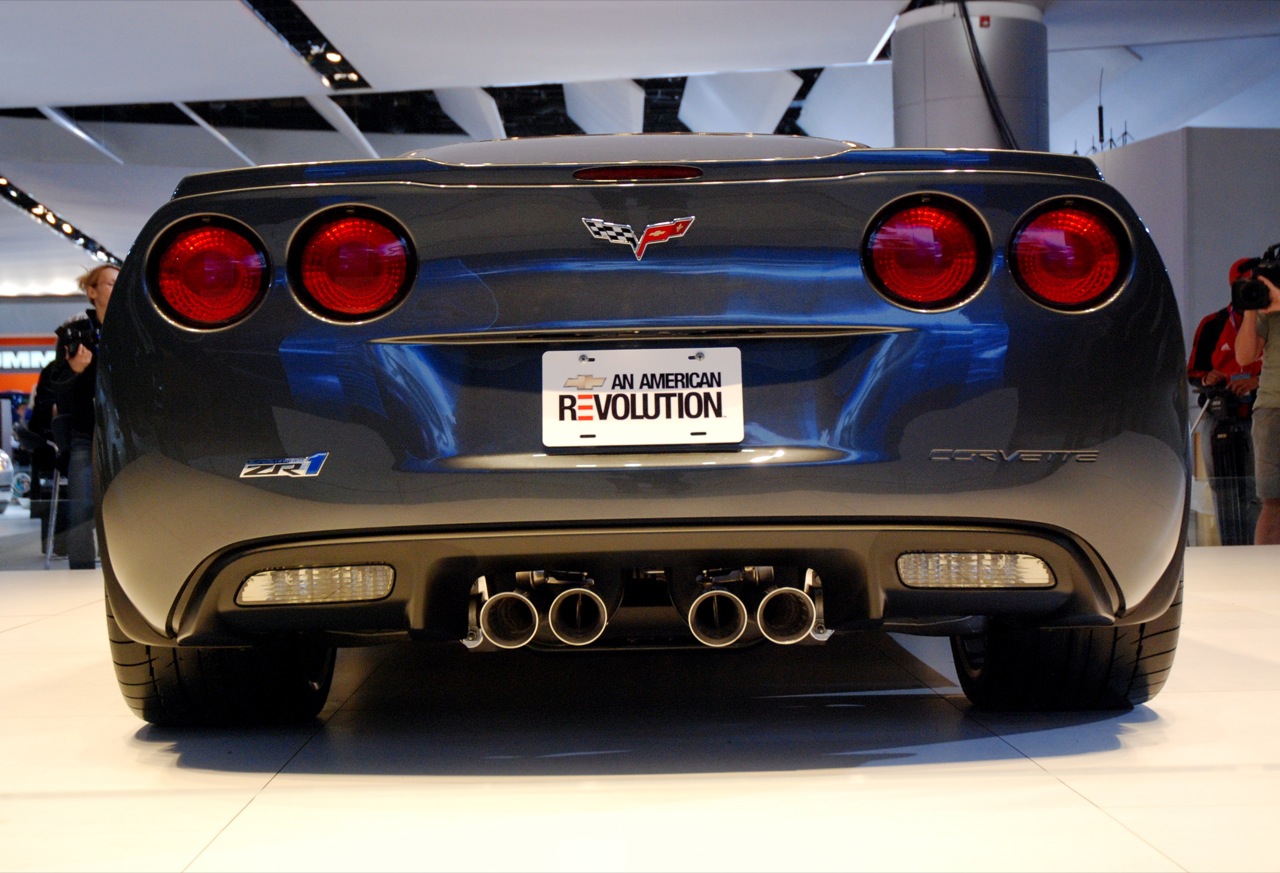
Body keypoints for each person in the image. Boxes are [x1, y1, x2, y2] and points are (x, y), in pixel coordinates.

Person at [45, 263, 117, 568]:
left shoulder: (131, 332)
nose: (117, 289)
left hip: (122, 428)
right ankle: (82, 564)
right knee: (81, 501)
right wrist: (76, 372)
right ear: (92, 291)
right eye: (111, 283)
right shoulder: (74, 334)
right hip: (85, 429)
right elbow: (56, 387)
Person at [1187, 258, 1263, 544]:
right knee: (1224, 491)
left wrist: (1256, 382)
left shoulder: (1272, 325)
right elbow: (1193, 372)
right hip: (1220, 415)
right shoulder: (1213, 324)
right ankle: (1233, 552)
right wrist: (1209, 378)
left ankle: (1263, 555)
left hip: (1262, 414)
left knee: (1262, 491)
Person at [1234, 266, 1280, 546]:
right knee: (1272, 501)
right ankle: (1267, 577)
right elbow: (1244, 356)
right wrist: (1250, 308)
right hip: (1272, 410)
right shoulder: (1268, 313)